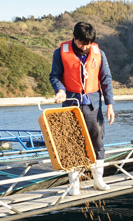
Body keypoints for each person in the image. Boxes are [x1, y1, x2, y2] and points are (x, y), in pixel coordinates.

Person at [49, 22, 115, 195]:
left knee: (97, 140)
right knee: (71, 143)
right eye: (81, 43)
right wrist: (60, 90)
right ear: (74, 37)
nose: (84, 47)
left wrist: (110, 105)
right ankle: (74, 184)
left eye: (88, 43)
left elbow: (106, 79)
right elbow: (54, 76)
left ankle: (98, 179)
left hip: (93, 104)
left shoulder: (99, 53)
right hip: (70, 103)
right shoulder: (60, 53)